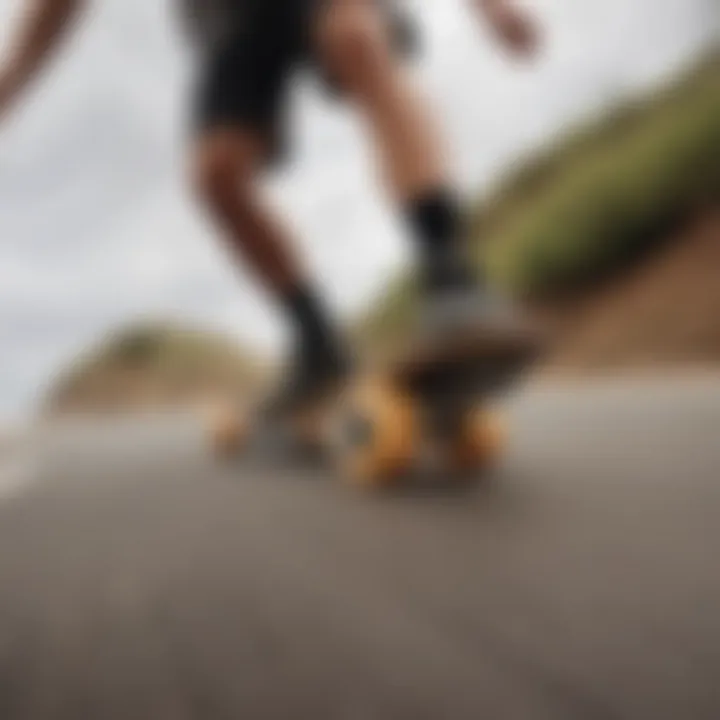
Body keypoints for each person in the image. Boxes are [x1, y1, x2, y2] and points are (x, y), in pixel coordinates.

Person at [0, 0, 542, 424]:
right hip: (230, 24)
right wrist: (10, 87)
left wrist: (490, 10)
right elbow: (50, 16)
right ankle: (317, 345)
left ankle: (450, 276)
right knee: (216, 176)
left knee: (355, 38)